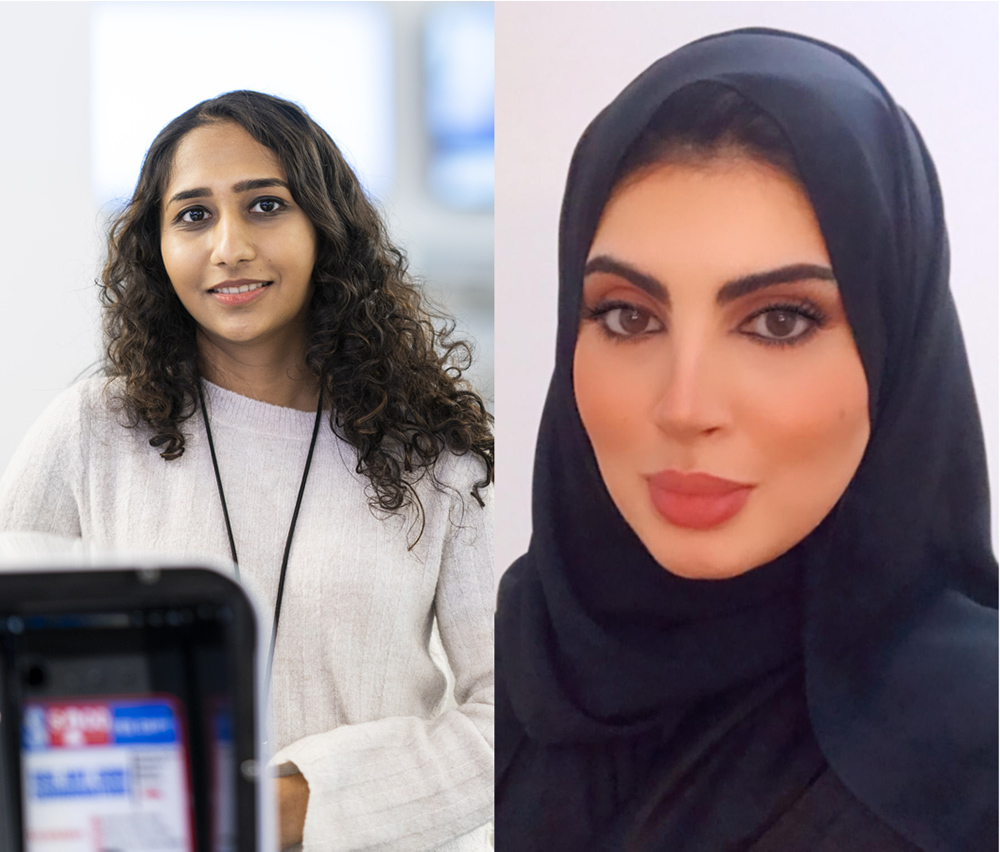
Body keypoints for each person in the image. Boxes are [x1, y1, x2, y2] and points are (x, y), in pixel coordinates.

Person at [494, 28, 996, 852]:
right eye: (628, 316)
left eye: (778, 321)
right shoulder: (479, 680)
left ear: (894, 347)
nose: (685, 407)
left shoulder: (980, 751)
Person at [0, 91, 494, 850]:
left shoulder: (435, 452)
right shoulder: (93, 430)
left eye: (265, 205)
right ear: (156, 248)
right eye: (193, 215)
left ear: (326, 229)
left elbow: (511, 720)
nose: (229, 246)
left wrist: (296, 805)